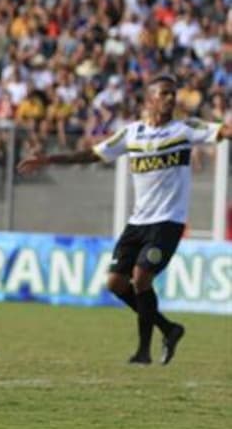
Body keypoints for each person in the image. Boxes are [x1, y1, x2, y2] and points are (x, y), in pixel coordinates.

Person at [18, 74, 231, 365]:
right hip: (138, 222)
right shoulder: (132, 134)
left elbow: (224, 130)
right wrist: (50, 160)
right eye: (164, 93)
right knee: (116, 283)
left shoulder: (185, 128)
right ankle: (169, 329)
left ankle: (143, 352)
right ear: (150, 99)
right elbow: (94, 154)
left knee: (142, 278)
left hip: (168, 222)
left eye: (173, 94)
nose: (170, 98)